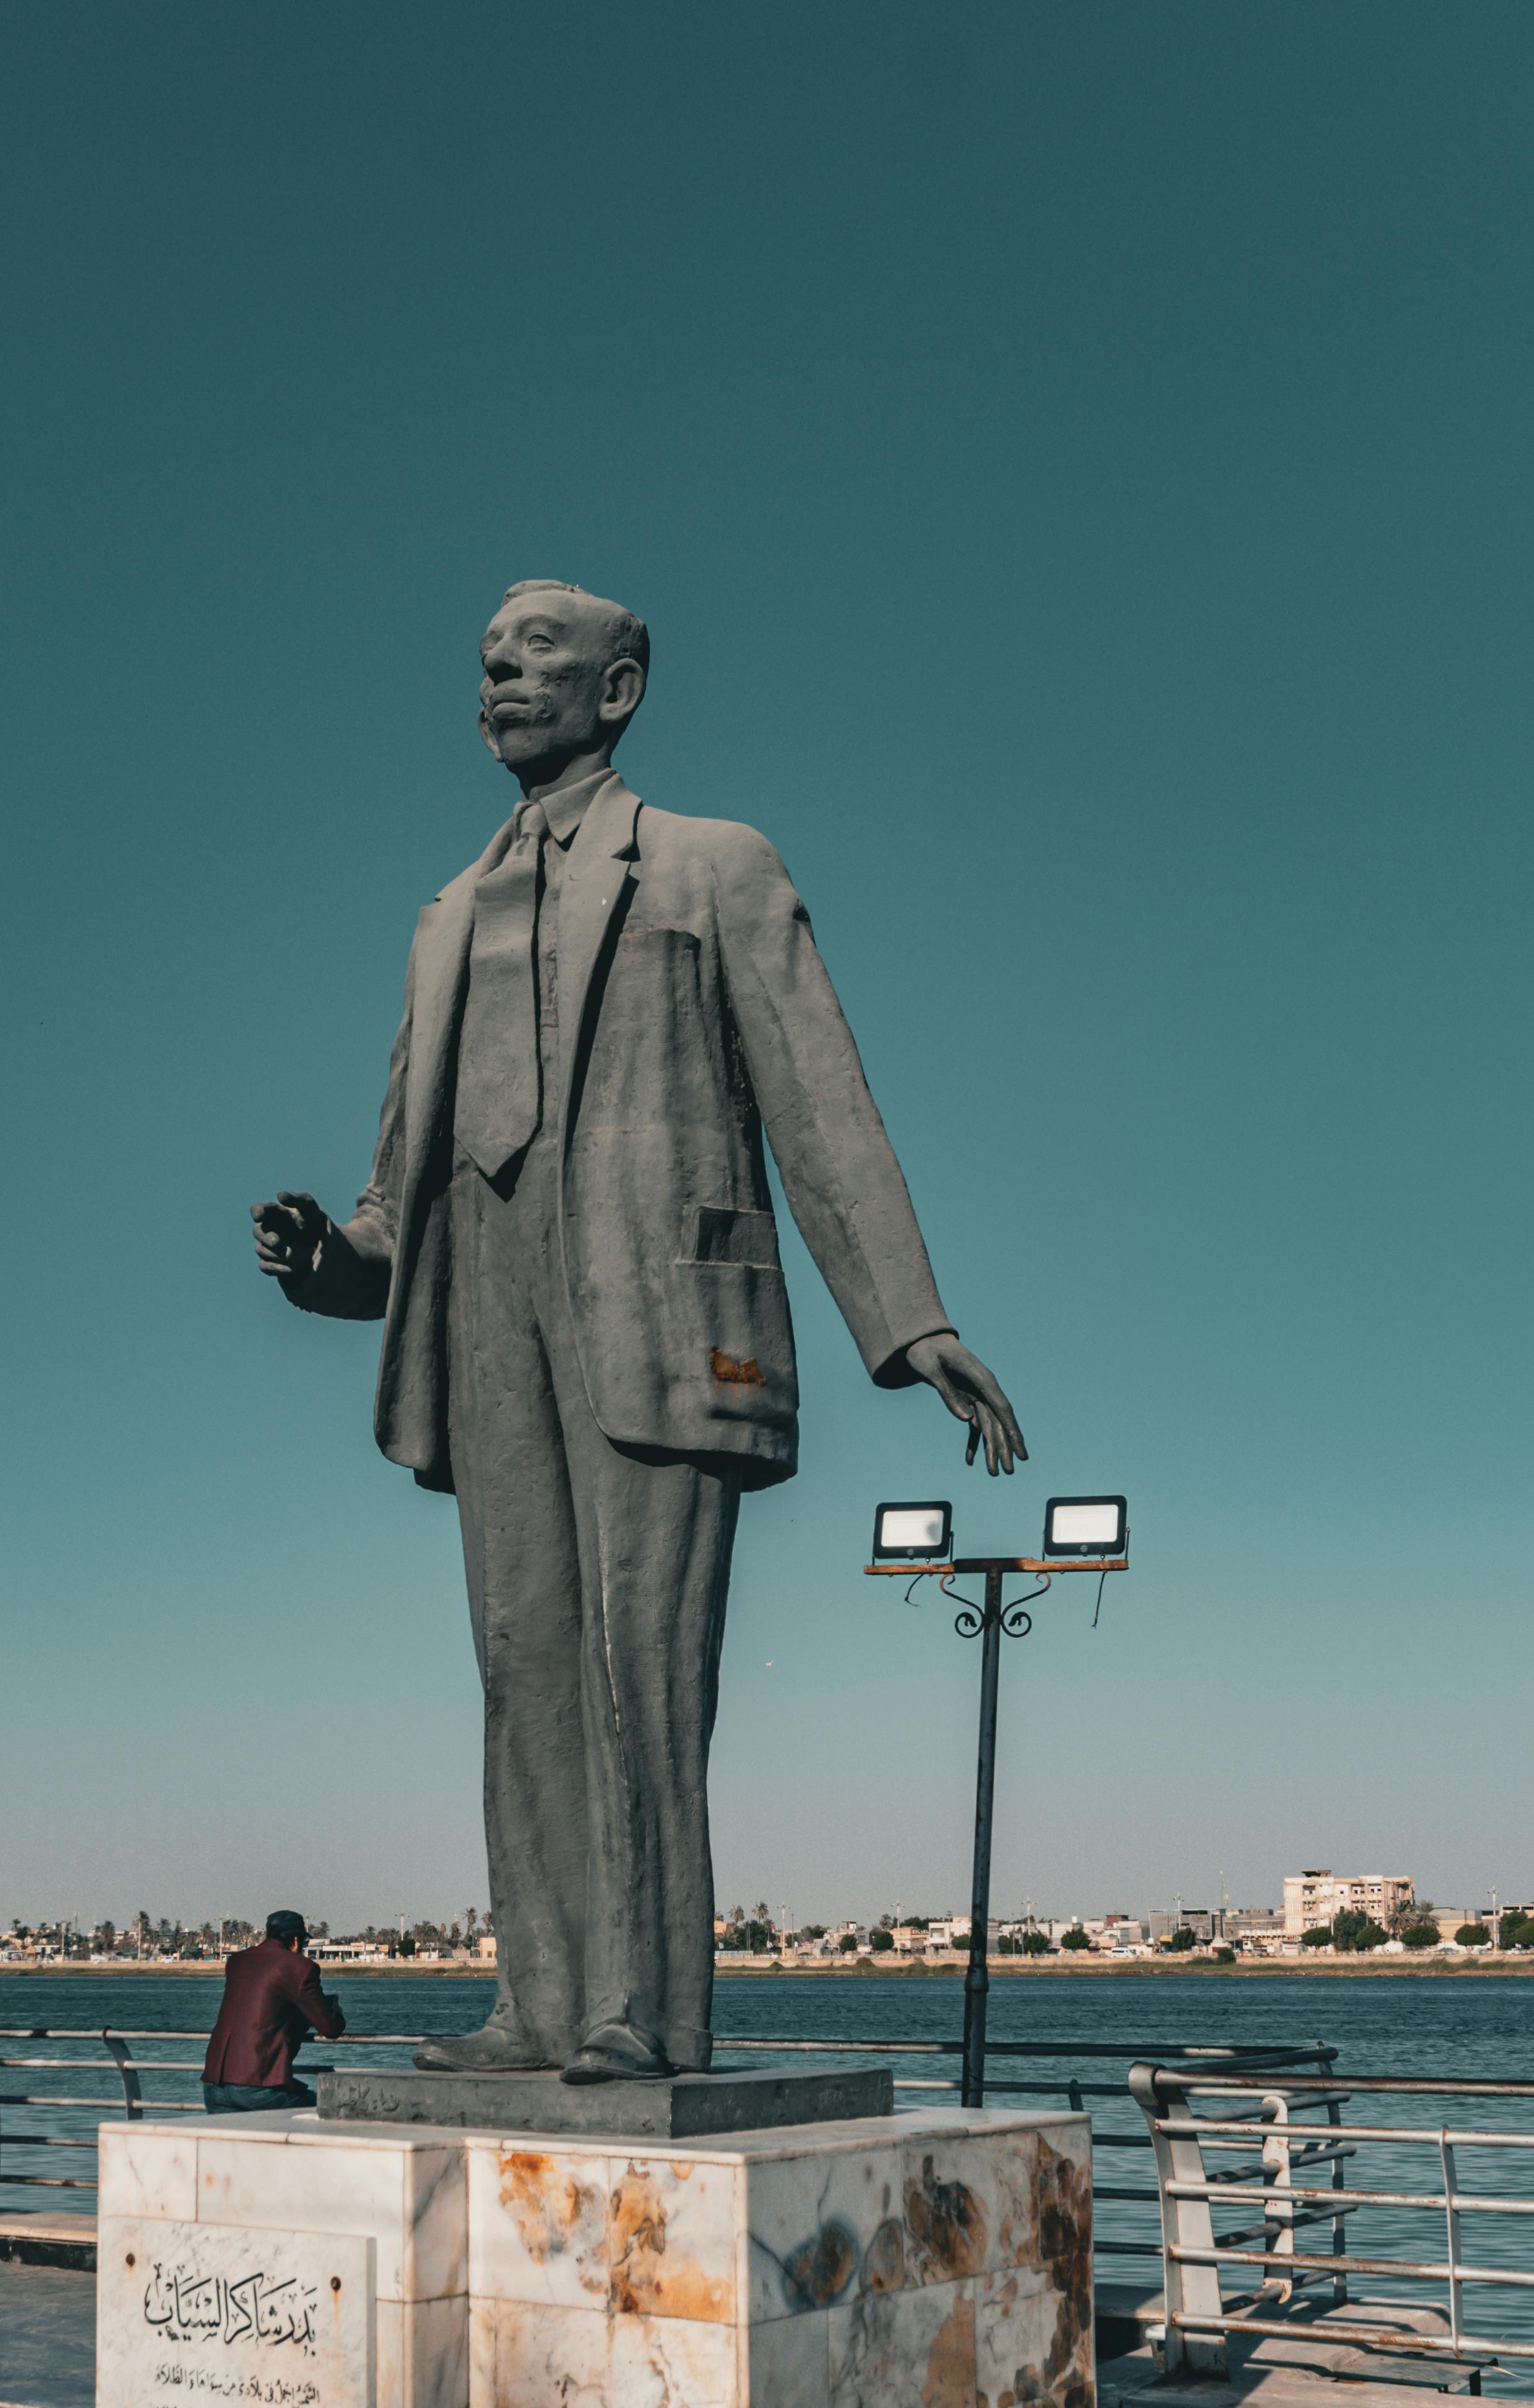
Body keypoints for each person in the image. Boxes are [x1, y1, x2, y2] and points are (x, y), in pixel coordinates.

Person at [252, 579, 1023, 2082]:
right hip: (488, 1319)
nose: (500, 675)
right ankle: (536, 2004)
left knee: (640, 1674)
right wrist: (324, 1262)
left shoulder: (710, 868)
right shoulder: (442, 922)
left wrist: (906, 1316)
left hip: (659, 1314)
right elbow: (398, 1193)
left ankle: (646, 2011)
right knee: (521, 1663)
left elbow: (817, 1103)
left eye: (539, 654)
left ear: (621, 687)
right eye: (485, 657)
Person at [202, 1910, 347, 2111]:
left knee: (232, 2142)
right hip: (257, 2084)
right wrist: (335, 2010)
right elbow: (330, 2028)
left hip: (215, 2082)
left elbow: (264, 2006)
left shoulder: (238, 1961)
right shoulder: (299, 1967)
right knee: (328, 2112)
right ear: (296, 1941)